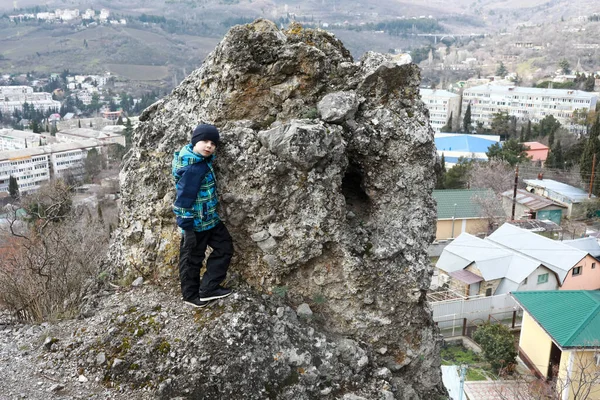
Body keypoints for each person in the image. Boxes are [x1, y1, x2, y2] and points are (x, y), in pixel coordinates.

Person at [172, 123, 234, 308]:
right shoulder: (192, 169)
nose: (209, 146)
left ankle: (208, 289)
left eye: (213, 143)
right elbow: (183, 201)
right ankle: (190, 296)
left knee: (225, 248)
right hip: (195, 224)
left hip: (210, 220)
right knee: (192, 259)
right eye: (205, 141)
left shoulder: (202, 161)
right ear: (195, 141)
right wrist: (187, 228)